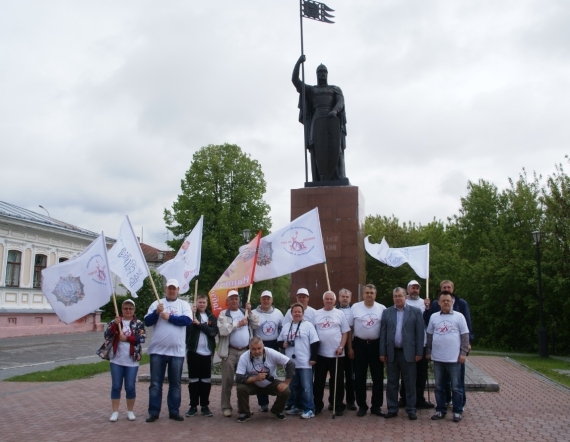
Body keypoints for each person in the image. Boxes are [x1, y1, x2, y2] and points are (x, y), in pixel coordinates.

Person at [292, 55, 348, 182]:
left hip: (331, 119)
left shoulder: (335, 89)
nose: (322, 74)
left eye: (324, 72)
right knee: (316, 149)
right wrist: (299, 63)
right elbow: (295, 80)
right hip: (317, 120)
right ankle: (319, 178)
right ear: (317, 74)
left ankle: (339, 176)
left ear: (327, 74)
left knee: (336, 148)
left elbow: (340, 102)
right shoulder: (311, 90)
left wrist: (334, 111)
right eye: (320, 72)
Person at [144, 279, 192, 422]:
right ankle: (153, 411)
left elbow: (187, 321)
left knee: (175, 383)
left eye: (174, 288)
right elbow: (147, 321)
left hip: (176, 352)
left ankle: (173, 410)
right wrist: (156, 313)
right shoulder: (156, 304)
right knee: (155, 383)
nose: (171, 291)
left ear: (178, 290)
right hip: (158, 351)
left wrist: (169, 317)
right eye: (169, 288)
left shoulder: (183, 305)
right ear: (165, 289)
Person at [425, 280, 473, 409]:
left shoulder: (461, 306)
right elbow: (429, 330)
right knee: (441, 384)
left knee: (457, 383)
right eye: (444, 287)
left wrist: (466, 348)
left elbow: (466, 329)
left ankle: (459, 406)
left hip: (455, 355)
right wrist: (427, 308)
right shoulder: (435, 309)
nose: (445, 302)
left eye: (449, 287)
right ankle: (444, 404)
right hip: (439, 356)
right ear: (439, 301)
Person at [379, 287, 425, 420]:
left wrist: (419, 352)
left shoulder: (415, 312)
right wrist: (382, 351)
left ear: (406, 297)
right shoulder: (387, 312)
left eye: (400, 296)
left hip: (409, 352)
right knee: (392, 382)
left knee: (410, 382)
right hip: (392, 352)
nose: (398, 298)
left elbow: (420, 334)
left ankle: (411, 409)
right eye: (395, 296)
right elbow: (383, 332)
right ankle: (392, 408)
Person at [217, 289, 260, 417]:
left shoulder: (244, 312)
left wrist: (250, 312)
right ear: (227, 301)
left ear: (239, 300)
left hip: (245, 352)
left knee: (244, 381)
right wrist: (238, 324)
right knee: (227, 381)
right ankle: (226, 407)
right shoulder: (223, 314)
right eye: (232, 299)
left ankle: (243, 407)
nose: (234, 301)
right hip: (229, 351)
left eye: (236, 298)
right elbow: (223, 330)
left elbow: (257, 324)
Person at [235, 337, 295, 423]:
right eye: (254, 349)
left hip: (270, 383)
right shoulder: (244, 357)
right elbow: (239, 377)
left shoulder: (271, 352)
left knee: (286, 390)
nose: (257, 351)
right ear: (249, 348)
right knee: (240, 388)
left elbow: (291, 364)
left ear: (263, 346)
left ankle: (276, 410)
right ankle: (244, 413)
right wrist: (256, 378)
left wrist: (286, 382)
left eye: (259, 348)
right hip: (253, 383)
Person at [105, 298, 146, 422]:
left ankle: (130, 411)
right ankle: (115, 412)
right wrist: (114, 326)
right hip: (117, 359)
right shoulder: (116, 321)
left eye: (130, 308)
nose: (128, 310)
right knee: (116, 386)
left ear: (134, 310)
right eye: (125, 308)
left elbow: (142, 338)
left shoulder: (138, 323)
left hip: (132, 360)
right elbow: (107, 335)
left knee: (130, 386)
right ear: (122, 309)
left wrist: (127, 338)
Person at [349, 284, 386, 417]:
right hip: (359, 345)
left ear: (375, 295)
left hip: (376, 345)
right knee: (360, 377)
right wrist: (350, 347)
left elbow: (385, 330)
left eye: (372, 292)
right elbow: (349, 329)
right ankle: (362, 406)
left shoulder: (382, 308)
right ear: (362, 294)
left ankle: (376, 406)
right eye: (367, 292)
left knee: (378, 377)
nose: (369, 295)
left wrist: (384, 350)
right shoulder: (355, 307)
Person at [278, 302, 320, 419]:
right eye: (295, 312)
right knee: (294, 386)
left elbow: (315, 343)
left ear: (303, 313)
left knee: (306, 387)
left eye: (299, 312)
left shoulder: (308, 325)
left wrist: (313, 358)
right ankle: (297, 406)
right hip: (291, 363)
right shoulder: (286, 326)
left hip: (305, 362)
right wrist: (283, 344)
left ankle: (309, 408)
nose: (297, 314)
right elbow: (279, 341)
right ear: (291, 313)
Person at [313, 291, 350, 416]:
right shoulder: (316, 314)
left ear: (335, 301)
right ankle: (317, 405)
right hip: (321, 354)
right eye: (327, 299)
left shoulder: (339, 314)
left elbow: (345, 332)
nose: (329, 301)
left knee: (337, 382)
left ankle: (336, 404)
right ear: (323, 300)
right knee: (319, 381)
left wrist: (341, 346)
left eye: (331, 299)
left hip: (337, 354)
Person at [399, 280, 434, 409]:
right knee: (406, 373)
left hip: (421, 343)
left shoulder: (424, 303)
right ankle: (404, 398)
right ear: (407, 290)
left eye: (417, 288)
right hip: (406, 344)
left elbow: (429, 322)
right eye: (412, 288)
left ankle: (419, 398)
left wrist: (428, 308)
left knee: (421, 373)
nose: (415, 290)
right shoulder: (403, 301)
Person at [185, 294, 218, 418]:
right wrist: (191, 317)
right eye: (200, 302)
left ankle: (205, 405)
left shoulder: (211, 317)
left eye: (204, 302)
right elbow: (187, 331)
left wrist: (200, 324)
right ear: (196, 303)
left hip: (207, 352)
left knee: (206, 380)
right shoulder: (191, 315)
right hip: (194, 352)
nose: (202, 304)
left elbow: (213, 332)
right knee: (193, 380)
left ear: (207, 304)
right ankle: (193, 405)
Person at [253, 290, 284, 412]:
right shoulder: (254, 313)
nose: (266, 301)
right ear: (260, 300)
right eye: (264, 299)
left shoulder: (278, 313)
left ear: (272, 300)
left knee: (273, 373)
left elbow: (282, 329)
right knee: (260, 372)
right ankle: (263, 402)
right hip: (259, 346)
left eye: (268, 299)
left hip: (274, 344)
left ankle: (278, 401)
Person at [331, 288, 355, 411]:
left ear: (350, 298)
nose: (345, 298)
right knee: (336, 376)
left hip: (351, 346)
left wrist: (350, 347)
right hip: (336, 346)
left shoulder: (354, 310)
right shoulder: (333, 310)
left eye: (347, 297)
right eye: (343, 296)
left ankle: (351, 401)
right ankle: (334, 401)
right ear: (339, 298)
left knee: (350, 375)